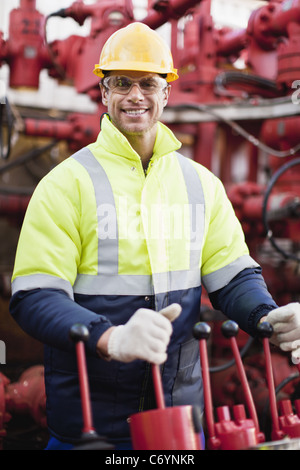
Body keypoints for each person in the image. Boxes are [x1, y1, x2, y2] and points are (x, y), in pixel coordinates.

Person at [9, 22, 300, 450]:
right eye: (122, 83)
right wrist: (109, 337)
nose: (136, 96)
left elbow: (232, 275)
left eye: (148, 83)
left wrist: (266, 316)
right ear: (104, 93)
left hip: (180, 420)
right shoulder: (65, 185)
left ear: (167, 93)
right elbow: (34, 295)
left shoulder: (201, 184)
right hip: (91, 424)